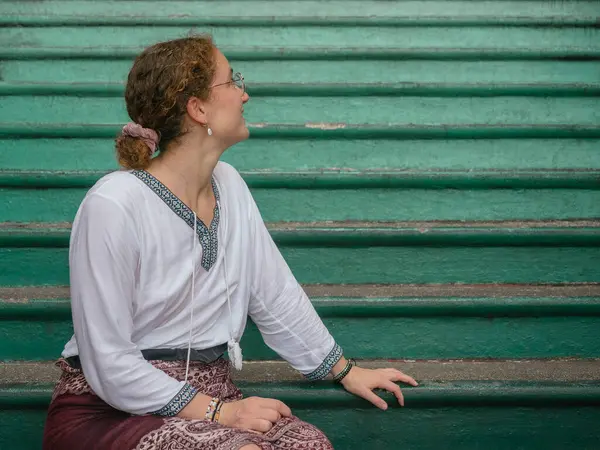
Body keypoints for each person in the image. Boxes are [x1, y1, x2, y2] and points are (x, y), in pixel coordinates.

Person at [42, 34, 418, 450]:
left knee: (309, 445)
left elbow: (274, 294)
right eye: (232, 81)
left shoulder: (230, 186)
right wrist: (220, 412)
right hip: (107, 410)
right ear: (197, 107)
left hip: (213, 395)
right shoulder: (114, 203)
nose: (245, 94)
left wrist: (344, 370)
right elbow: (108, 362)